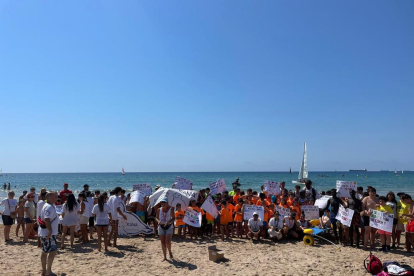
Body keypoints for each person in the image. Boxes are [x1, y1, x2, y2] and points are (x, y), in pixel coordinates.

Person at [38, 192, 59, 276]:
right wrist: (50, 231)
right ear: (50, 198)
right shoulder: (49, 207)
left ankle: (44, 271)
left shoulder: (48, 206)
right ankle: (48, 271)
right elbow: (47, 219)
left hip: (46, 233)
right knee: (52, 251)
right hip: (48, 233)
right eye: (55, 197)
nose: (57, 198)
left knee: (45, 251)